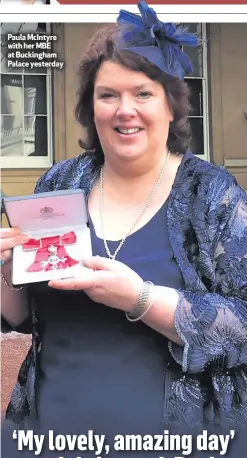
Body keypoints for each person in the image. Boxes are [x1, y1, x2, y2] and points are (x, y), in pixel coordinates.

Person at [1, 1, 247, 434]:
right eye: (108, 95)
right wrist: (5, 272)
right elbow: (23, 314)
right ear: (90, 107)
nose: (124, 109)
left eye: (143, 93)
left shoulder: (212, 196)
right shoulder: (61, 181)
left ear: (170, 106)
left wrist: (141, 299)